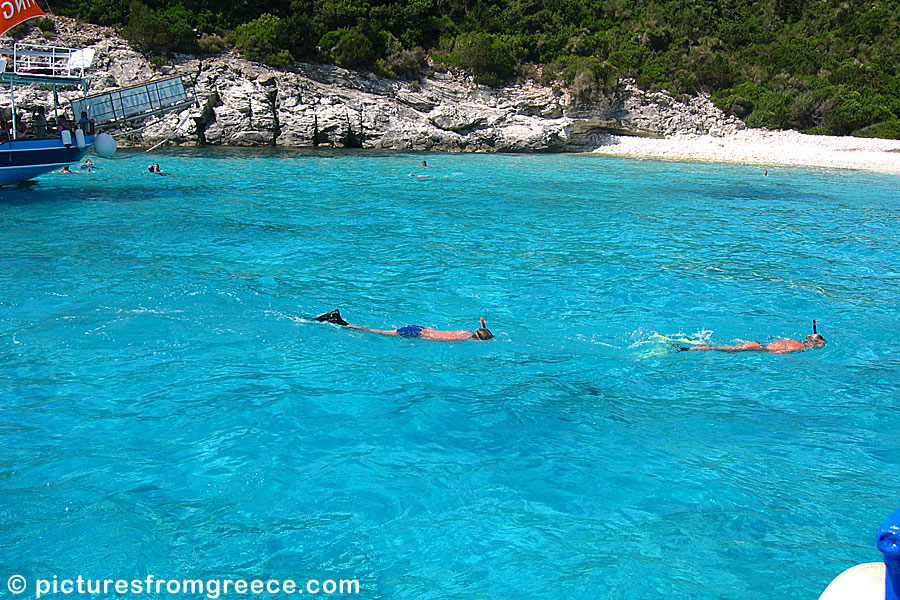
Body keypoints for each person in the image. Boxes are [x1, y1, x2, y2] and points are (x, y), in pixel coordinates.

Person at [316, 310, 494, 341]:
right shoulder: (462, 339)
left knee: (381, 332)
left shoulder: (465, 332)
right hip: (417, 334)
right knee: (377, 333)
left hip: (419, 328)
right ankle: (341, 323)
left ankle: (342, 322)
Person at [677, 332, 825, 354]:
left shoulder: (797, 341)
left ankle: (695, 345)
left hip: (758, 344)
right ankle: (689, 349)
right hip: (759, 348)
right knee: (724, 350)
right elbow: (778, 353)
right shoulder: (798, 347)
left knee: (724, 348)